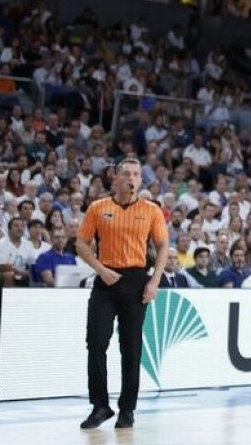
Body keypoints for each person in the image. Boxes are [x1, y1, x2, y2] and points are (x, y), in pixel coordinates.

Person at [74, 157, 170, 430]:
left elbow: (163, 246)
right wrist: (99, 268)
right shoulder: (98, 207)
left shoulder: (151, 210)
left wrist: (154, 282)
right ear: (115, 178)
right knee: (95, 342)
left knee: (131, 348)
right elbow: (81, 243)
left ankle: (127, 409)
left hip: (136, 280)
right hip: (106, 280)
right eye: (126, 173)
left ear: (141, 180)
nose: (131, 178)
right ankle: (100, 406)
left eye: (136, 174)